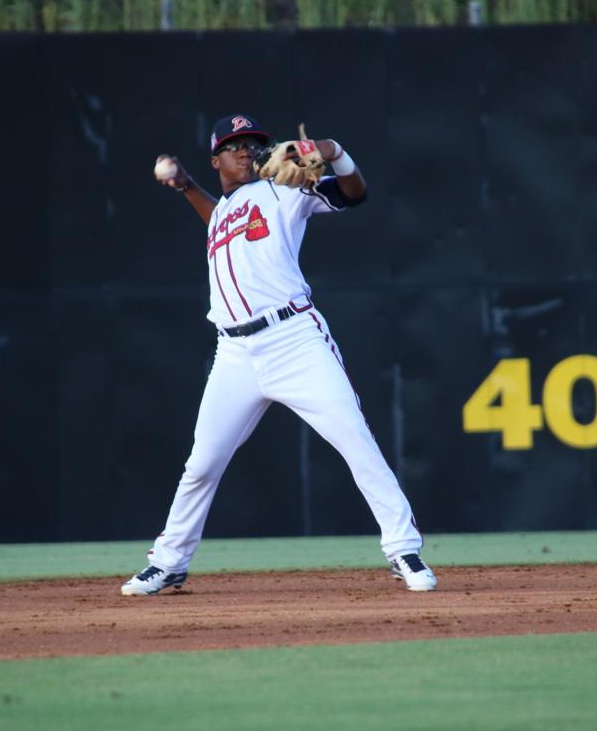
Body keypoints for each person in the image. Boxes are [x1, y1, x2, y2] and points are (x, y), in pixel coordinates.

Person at [120, 113, 436, 595]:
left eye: (252, 144)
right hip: (234, 354)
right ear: (216, 159)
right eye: (234, 146)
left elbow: (355, 193)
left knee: (354, 437)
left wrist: (332, 151)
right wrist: (185, 186)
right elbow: (218, 218)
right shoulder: (222, 212)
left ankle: (403, 550)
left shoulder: (285, 189)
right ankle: (169, 562)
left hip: (293, 339)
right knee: (202, 463)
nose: (246, 151)